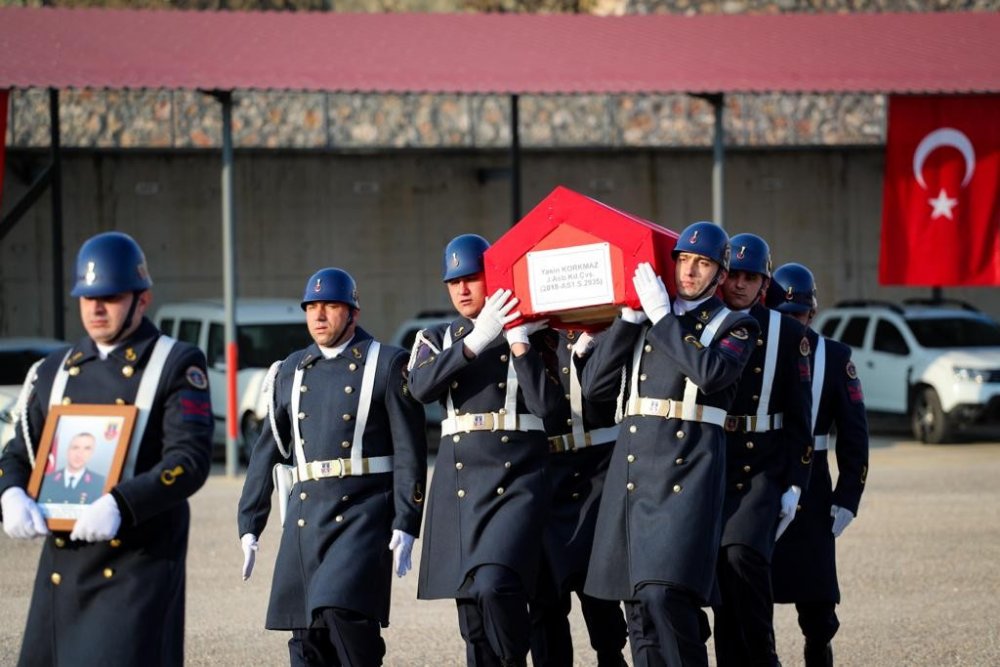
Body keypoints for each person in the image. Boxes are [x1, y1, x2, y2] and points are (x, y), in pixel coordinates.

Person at [0, 231, 214, 666]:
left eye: (110, 297)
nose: (96, 308)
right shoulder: (53, 370)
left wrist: (122, 503)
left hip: (135, 566)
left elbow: (189, 460)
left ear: (142, 298)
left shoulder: (175, 363)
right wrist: (10, 492)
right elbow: (19, 452)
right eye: (87, 297)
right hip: (63, 569)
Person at [581, 221, 760, 667]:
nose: (690, 271)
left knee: (666, 597)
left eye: (703, 264)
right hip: (634, 469)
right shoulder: (647, 317)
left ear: (721, 275)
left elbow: (712, 374)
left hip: (688, 468)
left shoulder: (735, 325)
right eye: (683, 260)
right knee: (638, 609)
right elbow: (594, 387)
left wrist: (664, 318)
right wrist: (628, 321)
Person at [237, 267, 427, 667]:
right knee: (307, 639)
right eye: (312, 307)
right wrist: (250, 523)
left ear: (353, 312)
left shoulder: (387, 363)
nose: (319, 316)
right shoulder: (291, 369)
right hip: (306, 517)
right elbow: (267, 450)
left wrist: (407, 521)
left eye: (330, 306)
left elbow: (410, 450)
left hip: (362, 513)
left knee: (343, 614)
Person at [407, 233, 564, 667]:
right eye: (453, 282)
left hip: (517, 477)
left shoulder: (535, 332)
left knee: (495, 586)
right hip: (460, 482)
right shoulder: (436, 337)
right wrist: (474, 342)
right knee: (473, 615)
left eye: (471, 279)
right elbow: (420, 387)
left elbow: (547, 405)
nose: (461, 289)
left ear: (493, 277)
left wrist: (518, 341)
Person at [713, 233, 814, 667]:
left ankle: (764, 658)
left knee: (743, 557)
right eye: (733, 274)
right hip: (713, 462)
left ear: (765, 283)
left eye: (750, 277)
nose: (739, 284)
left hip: (761, 468)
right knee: (720, 576)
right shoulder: (705, 322)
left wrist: (795, 481)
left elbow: (800, 415)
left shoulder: (788, 333)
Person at [767, 263, 869, 667]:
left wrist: (849, 495)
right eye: (784, 315)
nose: (794, 324)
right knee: (752, 591)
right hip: (763, 477)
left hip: (813, 485)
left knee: (818, 601)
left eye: (800, 315)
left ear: (813, 312)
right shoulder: (755, 348)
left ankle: (817, 650)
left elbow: (855, 432)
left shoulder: (835, 356)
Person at [529, 328, 628, 667]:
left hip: (600, 467)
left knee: (599, 586)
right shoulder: (532, 335)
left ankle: (611, 656)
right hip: (545, 471)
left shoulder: (605, 327)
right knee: (544, 593)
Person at [39, 432, 107, 505]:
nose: (79, 454)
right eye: (75, 447)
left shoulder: (99, 483)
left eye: (87, 449)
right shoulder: (47, 480)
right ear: (67, 450)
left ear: (92, 453)